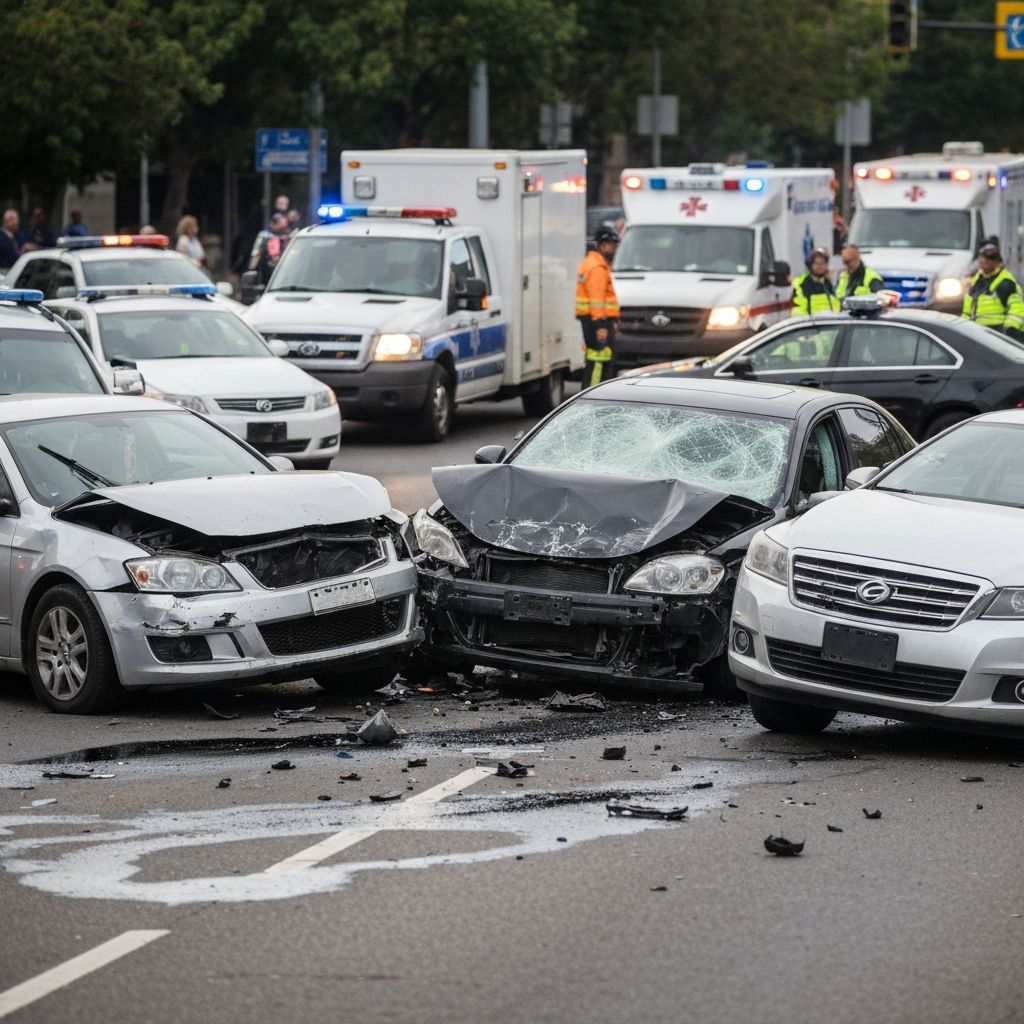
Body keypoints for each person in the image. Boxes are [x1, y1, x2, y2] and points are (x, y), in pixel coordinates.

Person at [575, 226, 621, 386]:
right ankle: (594, 394)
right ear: (601, 244)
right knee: (599, 361)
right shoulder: (597, 268)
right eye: (611, 244)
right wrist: (600, 326)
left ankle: (593, 392)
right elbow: (597, 300)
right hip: (598, 322)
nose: (614, 248)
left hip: (593, 321)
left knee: (596, 360)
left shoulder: (592, 263)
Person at [962, 239, 1024, 339]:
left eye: (990, 258)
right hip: (977, 334)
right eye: (982, 257)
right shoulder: (977, 280)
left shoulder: (1006, 282)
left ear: (998, 262)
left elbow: (1018, 309)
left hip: (997, 336)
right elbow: (967, 310)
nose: (985, 261)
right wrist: (963, 328)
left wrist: (1009, 330)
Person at [791, 246, 839, 316]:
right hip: (810, 324)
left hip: (830, 323)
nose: (819, 266)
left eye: (822, 263)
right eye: (816, 263)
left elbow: (836, 305)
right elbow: (798, 309)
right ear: (810, 265)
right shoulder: (802, 284)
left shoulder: (829, 284)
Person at [248, 195, 291, 269]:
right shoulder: (266, 234)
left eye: (284, 203)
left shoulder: (289, 232)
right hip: (268, 265)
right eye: (280, 203)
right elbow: (256, 252)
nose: (282, 206)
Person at [256, 211, 290, 284]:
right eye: (275, 223)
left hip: (285, 269)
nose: (276, 225)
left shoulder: (288, 237)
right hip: (267, 270)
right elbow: (256, 254)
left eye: (278, 223)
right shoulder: (265, 236)